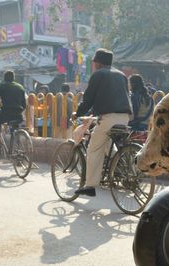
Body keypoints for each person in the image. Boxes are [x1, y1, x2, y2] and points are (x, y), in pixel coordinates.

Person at [74, 48, 132, 197]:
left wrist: (78, 113)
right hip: (125, 117)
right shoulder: (121, 75)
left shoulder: (98, 75)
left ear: (98, 63)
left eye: (94, 62)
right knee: (106, 141)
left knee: (93, 148)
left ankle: (90, 185)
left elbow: (88, 99)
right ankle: (117, 166)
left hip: (108, 117)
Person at [0, 71, 26, 144]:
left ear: (4, 78)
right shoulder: (20, 87)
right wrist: (19, 111)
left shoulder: (1, 85)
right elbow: (24, 104)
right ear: (13, 78)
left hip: (6, 114)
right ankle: (16, 144)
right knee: (14, 128)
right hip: (19, 115)